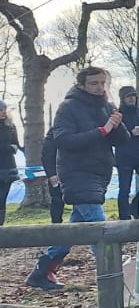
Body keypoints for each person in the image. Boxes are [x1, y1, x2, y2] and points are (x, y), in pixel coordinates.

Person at [28, 66, 128, 291]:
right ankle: (114, 277)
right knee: (99, 229)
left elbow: (121, 141)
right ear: (81, 85)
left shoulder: (107, 106)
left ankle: (41, 272)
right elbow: (63, 140)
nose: (100, 87)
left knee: (75, 228)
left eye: (103, 83)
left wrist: (117, 125)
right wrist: (102, 130)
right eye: (94, 83)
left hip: (100, 174)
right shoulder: (67, 108)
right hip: (76, 173)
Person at [113, 86, 139, 219]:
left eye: (133, 96)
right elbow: (113, 138)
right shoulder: (117, 114)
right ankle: (124, 219)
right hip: (124, 158)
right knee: (124, 190)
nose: (132, 98)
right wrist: (129, 134)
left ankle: (135, 208)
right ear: (122, 99)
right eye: (128, 96)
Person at [41, 129, 65, 224]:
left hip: (71, 171)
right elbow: (47, 155)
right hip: (57, 172)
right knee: (57, 200)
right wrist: (51, 174)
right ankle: (56, 224)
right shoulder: (54, 133)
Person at [0, 100, 18, 226]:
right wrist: (9, 148)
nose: (3, 112)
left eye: (4, 110)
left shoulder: (10, 126)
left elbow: (15, 145)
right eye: (1, 110)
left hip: (8, 168)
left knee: (2, 199)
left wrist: (12, 148)